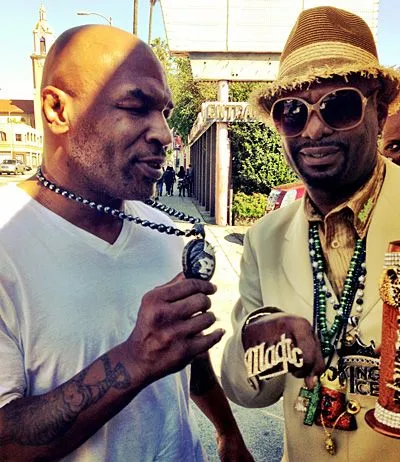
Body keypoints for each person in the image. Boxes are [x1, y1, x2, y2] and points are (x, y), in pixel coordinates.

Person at [0, 25, 254, 462]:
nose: (163, 134)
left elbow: (181, 350)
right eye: (136, 107)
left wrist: (228, 432)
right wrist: (135, 360)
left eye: (165, 112)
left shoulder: (162, 229)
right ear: (57, 109)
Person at [221, 6, 400, 461]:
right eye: (293, 113)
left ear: (379, 111)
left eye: (339, 106)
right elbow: (249, 392)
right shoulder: (264, 238)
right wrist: (257, 339)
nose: (314, 129)